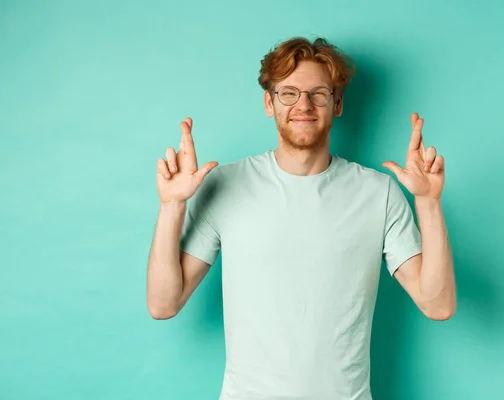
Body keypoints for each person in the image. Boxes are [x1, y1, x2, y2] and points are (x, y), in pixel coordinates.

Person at [147, 36, 456, 400]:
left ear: (337, 104)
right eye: (289, 93)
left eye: (318, 94)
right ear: (269, 102)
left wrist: (429, 202)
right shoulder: (226, 186)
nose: (303, 105)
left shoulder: (379, 193)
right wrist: (171, 206)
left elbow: (437, 304)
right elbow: (163, 304)